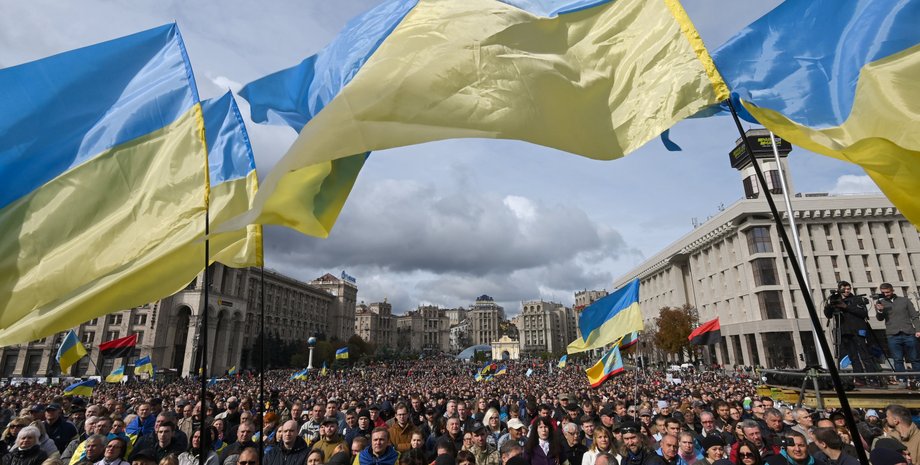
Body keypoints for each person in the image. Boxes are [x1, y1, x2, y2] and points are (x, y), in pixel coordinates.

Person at [824, 281, 880, 387]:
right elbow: (829, 315)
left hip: (858, 330)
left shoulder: (857, 299)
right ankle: (860, 379)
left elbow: (863, 313)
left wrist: (846, 306)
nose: (846, 291)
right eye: (844, 289)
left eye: (848, 288)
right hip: (845, 332)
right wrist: (829, 307)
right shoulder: (836, 300)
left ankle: (873, 379)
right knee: (853, 357)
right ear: (839, 289)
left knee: (865, 355)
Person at [875, 282, 920, 388]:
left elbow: (914, 316)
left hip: (908, 332)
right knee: (898, 359)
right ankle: (902, 380)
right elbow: (880, 318)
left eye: (887, 292)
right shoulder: (881, 303)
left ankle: (918, 379)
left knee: (915, 358)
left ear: (892, 290)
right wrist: (880, 311)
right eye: (883, 292)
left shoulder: (904, 300)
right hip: (893, 334)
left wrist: (918, 330)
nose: (886, 294)